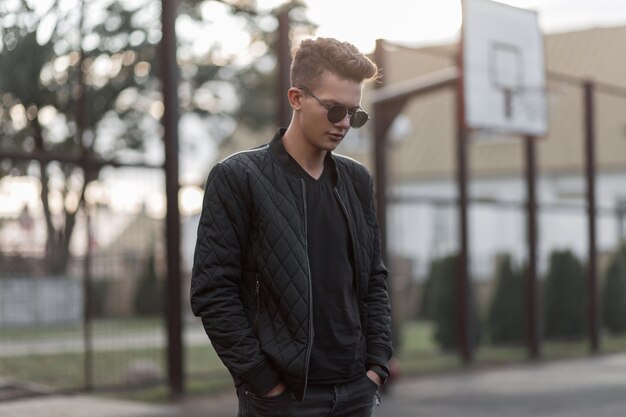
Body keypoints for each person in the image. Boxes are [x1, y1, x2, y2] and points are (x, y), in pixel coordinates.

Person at [190, 37, 393, 417]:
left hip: (355, 391)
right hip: (283, 400)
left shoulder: (356, 180)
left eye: (355, 114)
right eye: (334, 110)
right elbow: (213, 291)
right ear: (296, 98)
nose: (345, 124)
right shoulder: (239, 178)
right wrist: (263, 381)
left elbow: (373, 280)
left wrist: (376, 366)